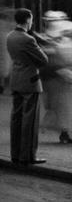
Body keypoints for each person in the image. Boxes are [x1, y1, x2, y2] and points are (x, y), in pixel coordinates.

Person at [7, 8, 49, 165]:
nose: (32, 22)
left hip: (16, 79)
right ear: (27, 20)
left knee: (16, 118)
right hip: (30, 81)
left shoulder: (10, 36)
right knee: (30, 122)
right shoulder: (28, 39)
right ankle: (28, 156)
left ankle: (15, 154)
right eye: (31, 20)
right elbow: (43, 60)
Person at [38, 12, 72, 146]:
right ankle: (63, 131)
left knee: (62, 107)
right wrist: (61, 70)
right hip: (56, 79)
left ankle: (63, 131)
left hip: (58, 78)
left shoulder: (51, 37)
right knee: (63, 106)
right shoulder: (49, 39)